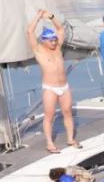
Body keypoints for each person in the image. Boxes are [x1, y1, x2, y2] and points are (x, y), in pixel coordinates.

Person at [25, 9, 76, 153]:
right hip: (50, 87)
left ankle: (70, 139)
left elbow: (60, 29)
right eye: (51, 40)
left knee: (67, 111)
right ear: (44, 40)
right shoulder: (39, 50)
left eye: (55, 40)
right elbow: (29, 32)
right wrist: (38, 17)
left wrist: (51, 17)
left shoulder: (58, 49)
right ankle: (49, 143)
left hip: (64, 86)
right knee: (50, 115)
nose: (54, 42)